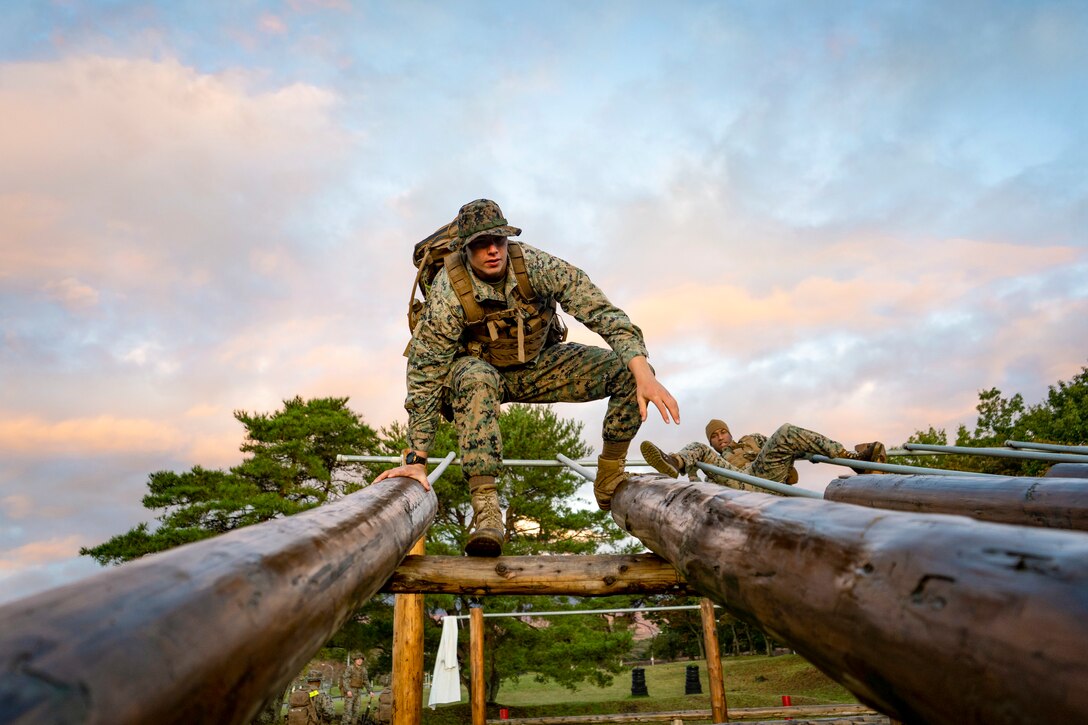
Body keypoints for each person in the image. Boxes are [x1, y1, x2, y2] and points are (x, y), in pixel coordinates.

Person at [375, 199, 680, 556]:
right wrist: (417, 459)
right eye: (480, 244)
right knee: (476, 377)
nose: (492, 250)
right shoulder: (449, 291)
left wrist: (642, 371)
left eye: (499, 241)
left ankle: (610, 474)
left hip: (536, 366)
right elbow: (425, 374)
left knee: (628, 370)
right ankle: (487, 509)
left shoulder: (536, 265)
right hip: (478, 374)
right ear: (465, 248)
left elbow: (601, 312)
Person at [640, 418, 886, 490]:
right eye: (715, 436)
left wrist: (797, 462)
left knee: (787, 431)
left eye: (723, 432)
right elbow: (701, 486)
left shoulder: (752, 440)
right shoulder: (713, 460)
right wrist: (693, 475)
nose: (720, 437)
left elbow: (786, 446)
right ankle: (674, 462)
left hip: (765, 475)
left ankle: (854, 460)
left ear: (730, 432)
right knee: (696, 448)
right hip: (738, 483)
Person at [340, 653, 371, 724]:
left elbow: (366, 681)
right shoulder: (350, 668)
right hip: (350, 690)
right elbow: (345, 679)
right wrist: (348, 690)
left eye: (361, 659)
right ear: (355, 660)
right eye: (358, 659)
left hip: (358, 691)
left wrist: (370, 691)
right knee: (348, 711)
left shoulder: (363, 670)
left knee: (356, 711)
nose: (360, 661)